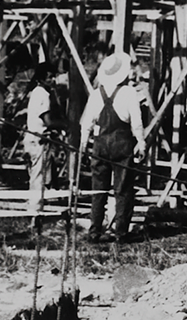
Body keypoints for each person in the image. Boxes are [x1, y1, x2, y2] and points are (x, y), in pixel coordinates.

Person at [79, 51, 146, 242]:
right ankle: (121, 233)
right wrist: (141, 143)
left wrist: (83, 147)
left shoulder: (95, 94)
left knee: (98, 190)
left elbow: (86, 124)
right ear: (124, 74)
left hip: (100, 145)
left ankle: (94, 231)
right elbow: (137, 122)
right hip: (121, 144)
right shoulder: (128, 93)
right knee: (123, 190)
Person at [23, 63, 60, 212]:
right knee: (38, 177)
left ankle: (35, 206)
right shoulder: (43, 94)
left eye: (53, 76)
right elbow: (47, 120)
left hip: (31, 137)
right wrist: (64, 125)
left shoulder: (36, 92)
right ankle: (35, 210)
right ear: (41, 79)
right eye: (50, 77)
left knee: (36, 175)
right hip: (39, 139)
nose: (53, 80)